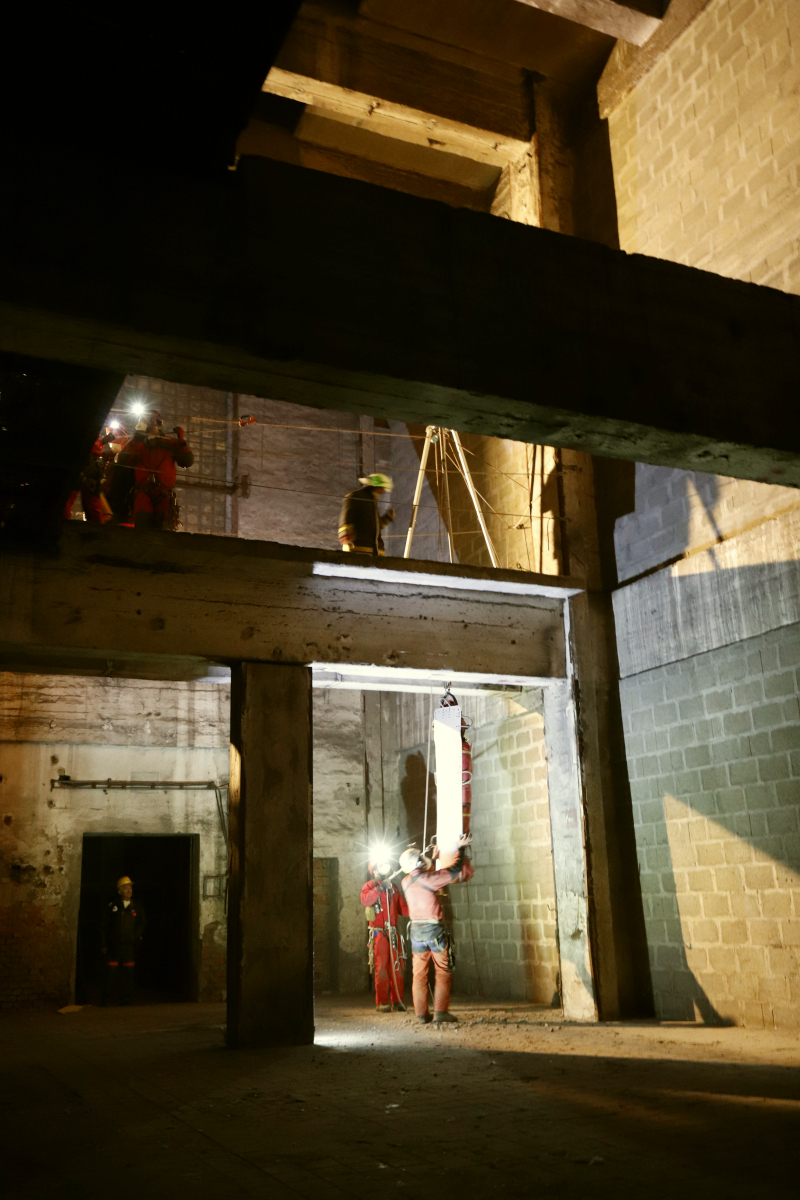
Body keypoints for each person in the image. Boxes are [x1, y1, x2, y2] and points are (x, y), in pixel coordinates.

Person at [399, 833, 474, 1025]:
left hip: (416, 932)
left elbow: (424, 875)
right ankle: (440, 1012)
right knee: (442, 970)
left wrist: (432, 858)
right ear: (418, 863)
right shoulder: (428, 879)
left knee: (419, 974)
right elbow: (454, 871)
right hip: (433, 931)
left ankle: (421, 1014)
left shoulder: (406, 882)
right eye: (420, 858)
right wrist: (461, 848)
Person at [116, 410, 194, 530]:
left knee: (163, 529)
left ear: (154, 421)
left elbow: (187, 462)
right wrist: (137, 441)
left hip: (164, 494)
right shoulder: (136, 443)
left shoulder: (169, 442)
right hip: (143, 492)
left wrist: (181, 442)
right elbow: (122, 461)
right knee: (142, 528)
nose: (141, 422)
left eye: (144, 419)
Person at [360, 856, 409, 1013]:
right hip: (379, 934)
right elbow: (366, 900)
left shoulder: (393, 888)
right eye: (380, 865)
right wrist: (380, 888)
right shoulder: (370, 886)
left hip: (393, 932)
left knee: (398, 967)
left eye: (385, 864)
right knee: (381, 968)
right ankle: (381, 1002)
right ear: (374, 870)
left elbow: (403, 909)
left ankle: (397, 1001)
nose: (384, 867)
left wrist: (418, 906)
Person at [101, 875, 146, 1005]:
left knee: (128, 974)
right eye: (126, 888)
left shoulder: (136, 906)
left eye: (130, 887)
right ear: (119, 891)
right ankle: (108, 1000)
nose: (129, 890)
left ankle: (127, 1000)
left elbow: (142, 923)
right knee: (111, 973)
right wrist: (104, 943)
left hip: (129, 946)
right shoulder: (112, 906)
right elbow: (104, 926)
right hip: (114, 946)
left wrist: (135, 936)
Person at [338, 473, 395, 555]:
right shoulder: (355, 497)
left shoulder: (372, 503)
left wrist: (387, 517)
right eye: (382, 489)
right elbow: (346, 518)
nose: (382, 492)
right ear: (375, 487)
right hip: (359, 548)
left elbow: (375, 526)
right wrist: (345, 536)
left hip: (374, 550)